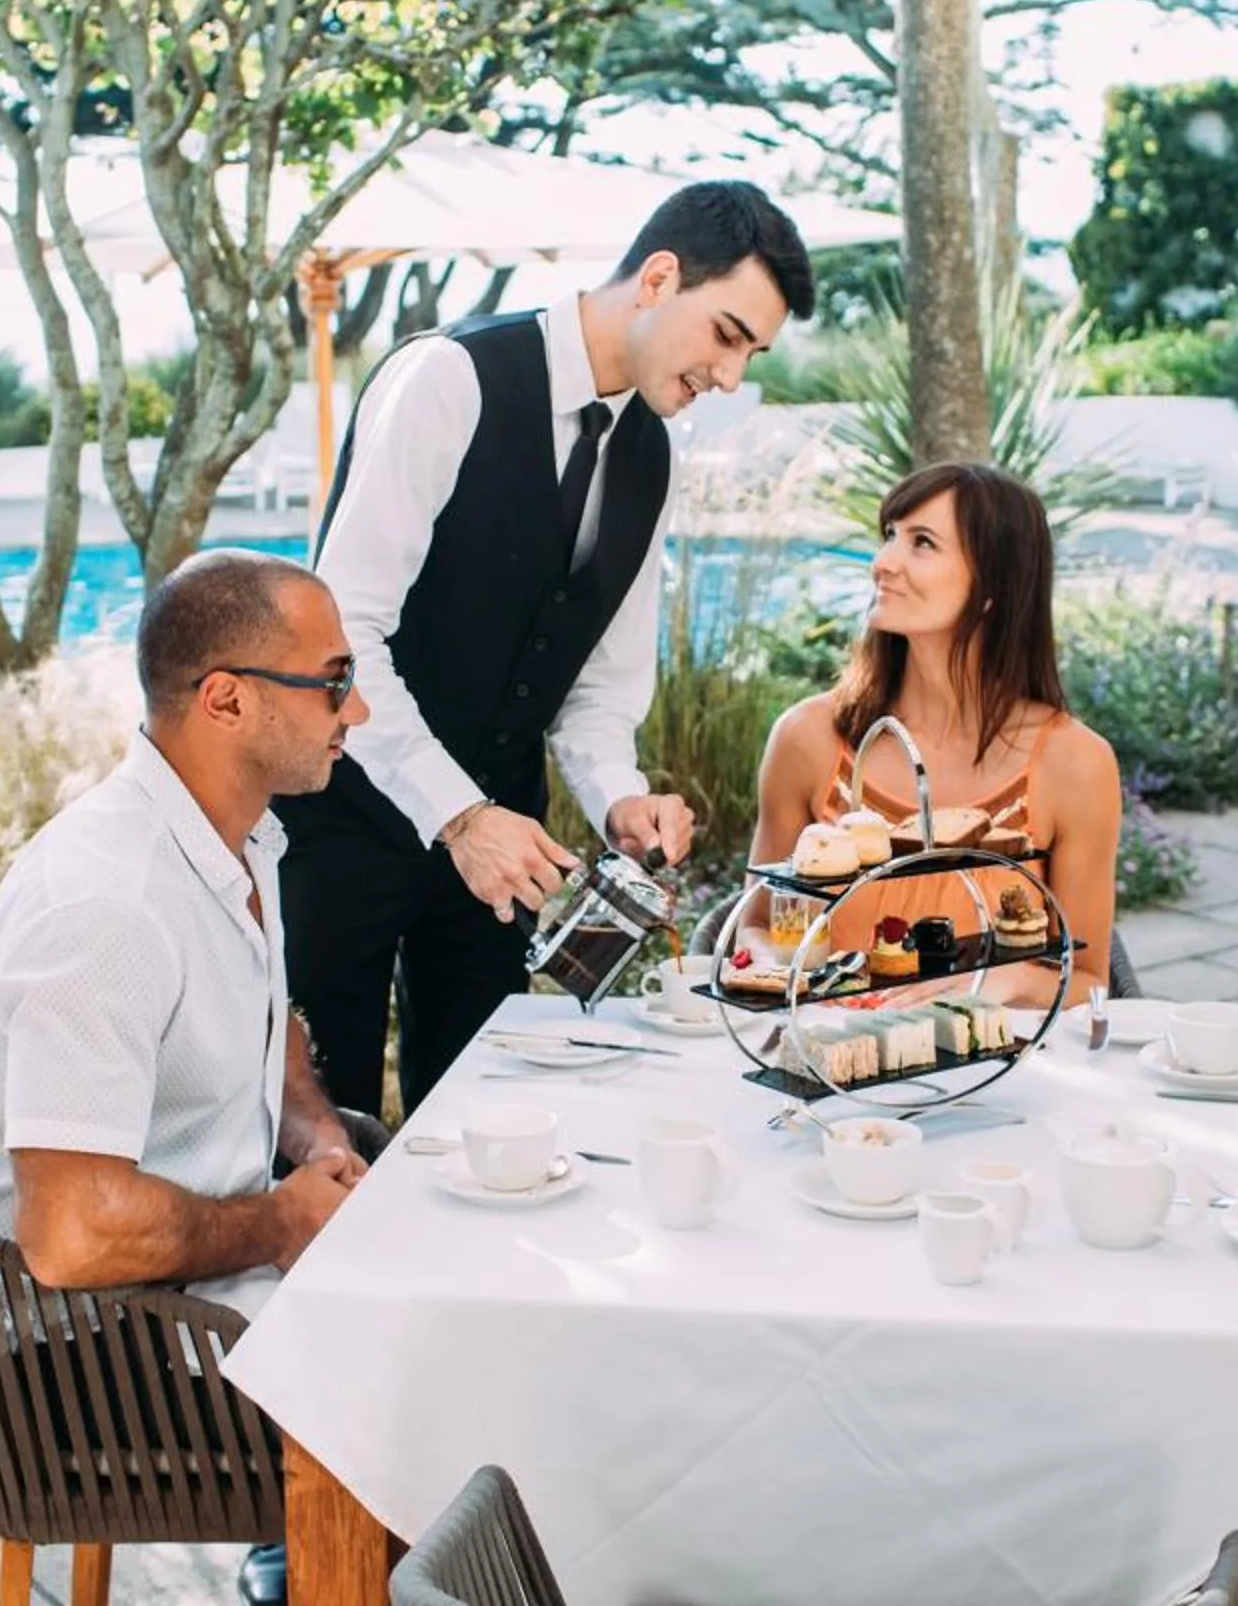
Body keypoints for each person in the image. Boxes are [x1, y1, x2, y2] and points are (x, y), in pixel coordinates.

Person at [282, 182, 816, 1114]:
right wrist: (457, 817)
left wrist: (620, 799)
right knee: (323, 1125)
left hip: (503, 851)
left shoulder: (654, 456)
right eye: (727, 335)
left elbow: (599, 691)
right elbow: (346, 634)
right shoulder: (447, 380)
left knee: (481, 1117)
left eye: (751, 353)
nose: (730, 377)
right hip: (346, 823)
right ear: (658, 277)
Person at [0, 550, 372, 1317]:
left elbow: (265, 1025)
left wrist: (318, 1137)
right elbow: (73, 1235)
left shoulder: (240, 837)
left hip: (191, 1287)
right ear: (226, 701)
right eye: (334, 682)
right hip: (85, 1345)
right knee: (421, 1377)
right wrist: (278, 1223)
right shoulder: (110, 906)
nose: (356, 710)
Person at [747, 463, 1124, 1005]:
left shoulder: (1075, 763)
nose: (883, 563)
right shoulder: (808, 738)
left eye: (922, 542)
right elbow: (756, 925)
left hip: (990, 1074)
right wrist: (783, 977)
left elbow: (1089, 980)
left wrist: (1003, 980)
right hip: (830, 1060)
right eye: (889, 536)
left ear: (994, 585)